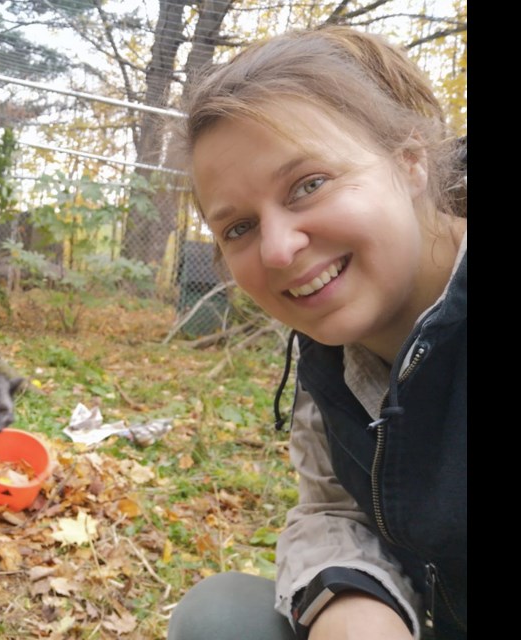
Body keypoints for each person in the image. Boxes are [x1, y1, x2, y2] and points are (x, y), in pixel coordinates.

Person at [167, 26, 466, 640]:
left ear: (410, 161)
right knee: (221, 619)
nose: (277, 251)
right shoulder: (331, 354)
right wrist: (353, 599)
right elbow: (333, 508)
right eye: (240, 227)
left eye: (309, 184)